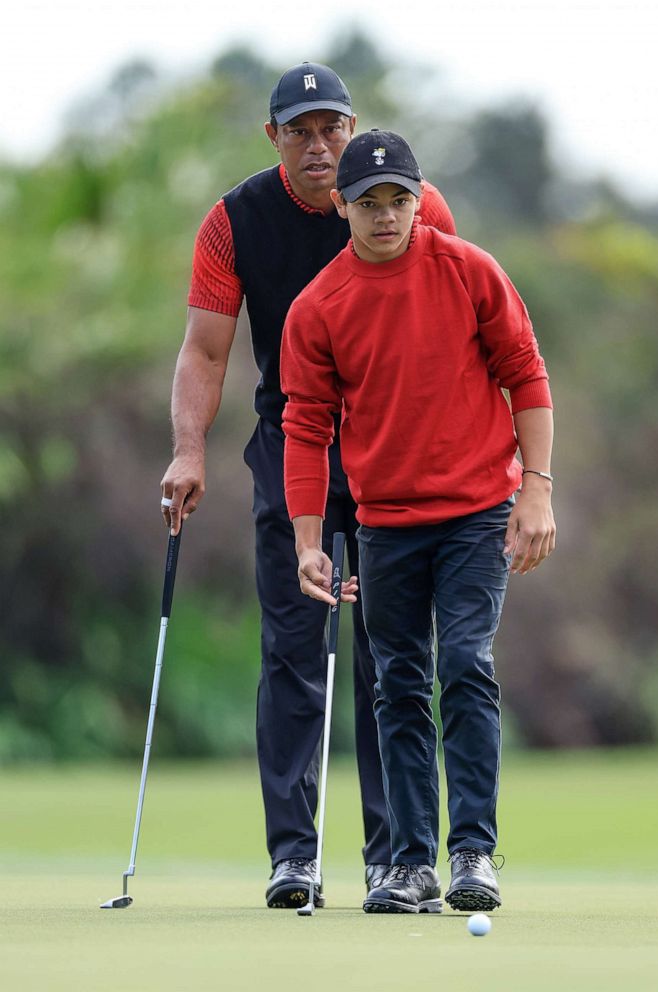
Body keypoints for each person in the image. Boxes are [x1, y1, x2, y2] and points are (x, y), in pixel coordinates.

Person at [160, 64, 457, 909]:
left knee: (390, 654)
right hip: (288, 443)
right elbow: (206, 349)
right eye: (301, 130)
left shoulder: (410, 202)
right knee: (293, 650)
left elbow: (452, 321)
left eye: (332, 127)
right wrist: (189, 451)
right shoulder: (234, 221)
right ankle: (294, 857)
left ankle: (394, 856)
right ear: (273, 138)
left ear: (354, 124)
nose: (320, 144)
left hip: (394, 455)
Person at [281, 129, 555, 914]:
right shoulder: (319, 306)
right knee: (396, 683)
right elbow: (305, 427)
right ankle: (409, 864)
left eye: (399, 199)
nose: (386, 216)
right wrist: (307, 541)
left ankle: (471, 851)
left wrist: (535, 491)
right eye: (369, 203)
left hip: (476, 512)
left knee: (463, 662)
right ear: (341, 207)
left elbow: (525, 374)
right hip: (385, 523)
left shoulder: (468, 270)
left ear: (418, 198)